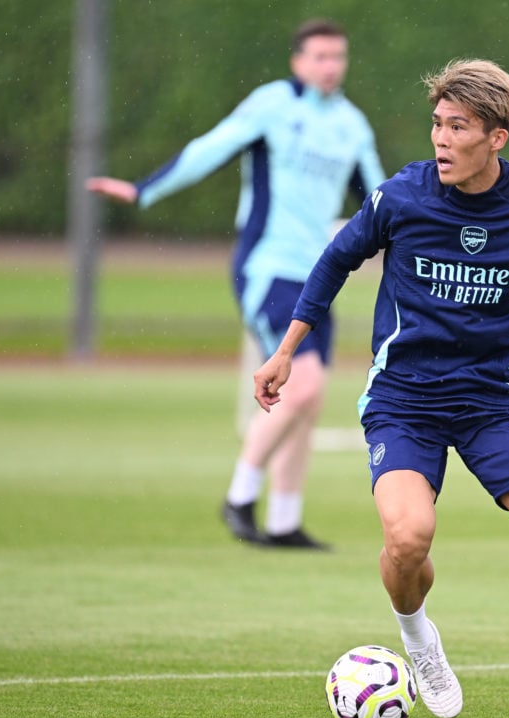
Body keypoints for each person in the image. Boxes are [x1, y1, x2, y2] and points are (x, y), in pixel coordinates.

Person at [253, 59, 509, 718]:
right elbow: (333, 263)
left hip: (495, 403)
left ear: (496, 137)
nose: (441, 140)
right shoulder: (401, 197)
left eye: (458, 127)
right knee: (408, 537)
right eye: (437, 124)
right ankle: (419, 642)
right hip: (404, 400)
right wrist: (286, 350)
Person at [88, 19, 386, 549]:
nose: (330, 66)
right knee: (306, 384)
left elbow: (381, 202)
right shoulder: (272, 104)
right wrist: (143, 191)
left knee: (308, 399)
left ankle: (284, 521)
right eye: (319, 56)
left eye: (337, 56)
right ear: (297, 61)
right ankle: (240, 496)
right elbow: (209, 148)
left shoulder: (351, 125)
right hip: (268, 266)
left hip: (319, 275)